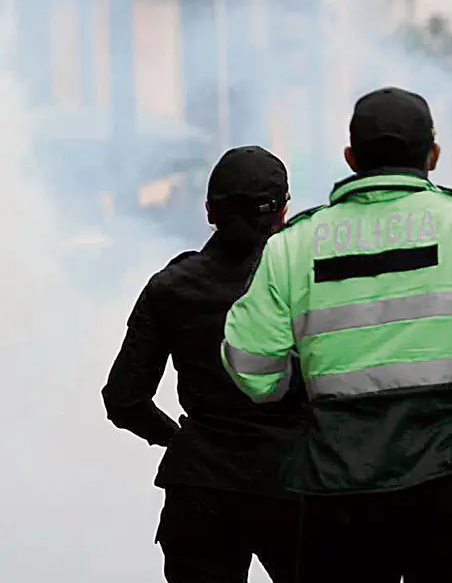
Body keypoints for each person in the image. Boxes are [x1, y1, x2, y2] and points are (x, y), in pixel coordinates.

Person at [220, 87, 452, 582]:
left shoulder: (292, 247)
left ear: (352, 158)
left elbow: (252, 367)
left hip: (340, 501)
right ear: (433, 155)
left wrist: (294, 394)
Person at [101, 146, 304, 583]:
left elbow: (122, 399)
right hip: (295, 486)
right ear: (283, 211)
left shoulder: (171, 287)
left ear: (210, 210)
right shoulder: (305, 284)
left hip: (200, 489)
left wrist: (177, 439)